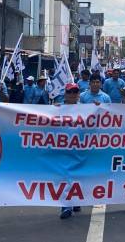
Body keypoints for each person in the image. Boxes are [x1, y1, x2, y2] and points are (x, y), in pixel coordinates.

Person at [57, 83, 82, 219]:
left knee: (77, 175)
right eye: (70, 92)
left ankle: (76, 200)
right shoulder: (57, 108)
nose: (73, 94)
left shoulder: (85, 109)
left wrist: (98, 108)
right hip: (63, 147)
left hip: (80, 147)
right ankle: (66, 206)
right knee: (65, 175)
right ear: (65, 93)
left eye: (75, 92)